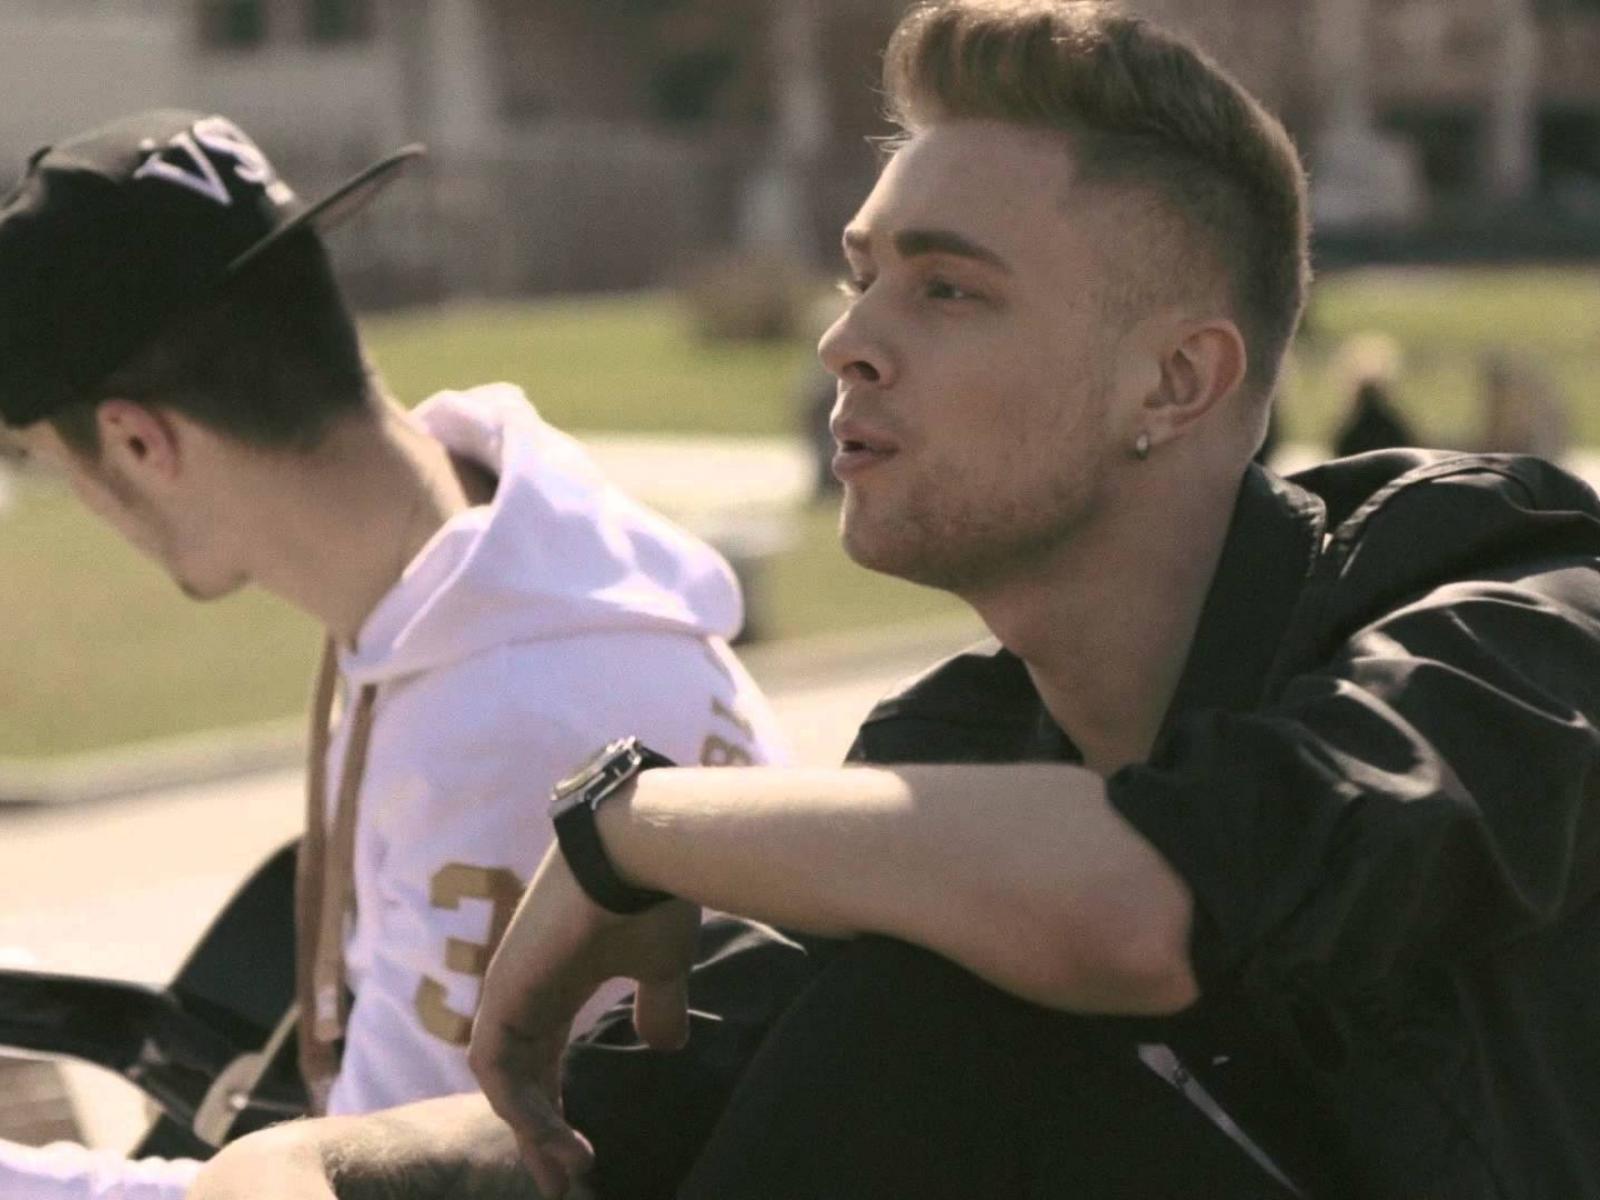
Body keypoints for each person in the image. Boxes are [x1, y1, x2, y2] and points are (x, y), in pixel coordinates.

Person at [193, 3, 1600, 1197]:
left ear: (1176, 382)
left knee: (912, 1021)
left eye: (946, 290)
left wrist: (634, 824)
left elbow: (1159, 903)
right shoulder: (961, 748)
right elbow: (653, 1108)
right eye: (861, 275)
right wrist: (306, 1164)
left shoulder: (1504, 603)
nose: (845, 342)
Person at [0, 109, 786, 1199]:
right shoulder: (473, 570)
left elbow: (353, 1186)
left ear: (139, 441)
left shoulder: (501, 717)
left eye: (52, 464)